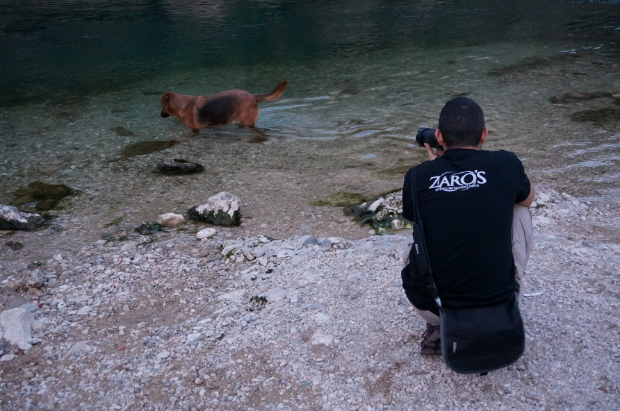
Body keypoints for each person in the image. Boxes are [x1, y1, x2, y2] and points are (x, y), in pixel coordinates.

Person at [401, 97, 534, 356]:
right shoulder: (506, 163)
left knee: (418, 225)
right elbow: (529, 199)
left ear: (439, 136)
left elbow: (419, 218)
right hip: (500, 302)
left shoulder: (417, 176)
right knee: (519, 207)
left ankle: (438, 325)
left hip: (431, 304)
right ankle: (500, 290)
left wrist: (435, 169)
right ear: (484, 134)